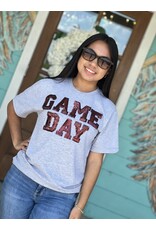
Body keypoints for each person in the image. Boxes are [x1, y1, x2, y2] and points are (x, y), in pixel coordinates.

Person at [0, 32, 119, 219]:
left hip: (60, 196)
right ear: (80, 54)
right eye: (90, 54)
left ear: (108, 70)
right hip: (22, 179)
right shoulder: (49, 87)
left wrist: (79, 206)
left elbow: (95, 160)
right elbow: (14, 107)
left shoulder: (107, 110)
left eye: (104, 62)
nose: (94, 64)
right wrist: (16, 141)